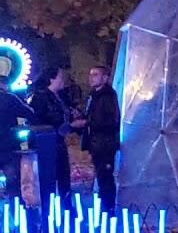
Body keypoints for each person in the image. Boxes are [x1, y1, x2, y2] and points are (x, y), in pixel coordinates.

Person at [72, 65, 120, 211]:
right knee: (101, 176)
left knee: (105, 177)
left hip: (105, 143)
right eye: (90, 74)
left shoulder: (108, 96)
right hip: (96, 143)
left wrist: (86, 123)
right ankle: (105, 206)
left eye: (95, 75)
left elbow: (109, 121)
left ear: (105, 78)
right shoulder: (93, 95)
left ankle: (108, 209)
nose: (91, 78)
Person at [28, 67, 73, 204]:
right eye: (60, 77)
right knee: (49, 176)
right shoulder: (40, 98)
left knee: (63, 175)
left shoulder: (60, 97)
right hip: (47, 143)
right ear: (52, 79)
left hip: (59, 140)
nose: (63, 80)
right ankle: (49, 206)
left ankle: (66, 204)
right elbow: (38, 120)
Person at [0, 73, 37, 198]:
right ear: (5, 85)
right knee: (12, 181)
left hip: (6, 145)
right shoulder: (10, 98)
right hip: (8, 146)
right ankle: (15, 206)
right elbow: (29, 113)